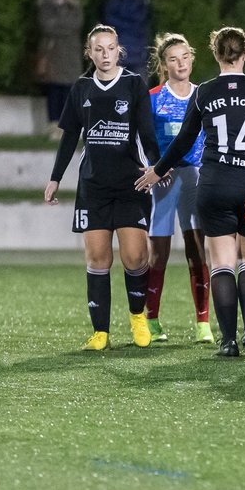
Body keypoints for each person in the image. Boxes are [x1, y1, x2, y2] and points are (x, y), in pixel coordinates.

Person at [135, 27, 245, 357]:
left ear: (214, 54)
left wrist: (157, 169)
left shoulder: (206, 91)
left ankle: (227, 340)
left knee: (222, 262)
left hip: (213, 183)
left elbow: (184, 139)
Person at [44, 25, 160, 350]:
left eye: (110, 48)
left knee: (136, 257)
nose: (105, 55)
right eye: (99, 49)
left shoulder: (134, 84)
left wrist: (156, 166)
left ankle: (138, 316)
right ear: (90, 52)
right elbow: (69, 137)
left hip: (130, 184)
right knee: (98, 258)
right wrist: (55, 178)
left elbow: (147, 134)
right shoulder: (81, 88)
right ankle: (101, 333)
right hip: (93, 186)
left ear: (118, 50)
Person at [144, 33, 213, 345]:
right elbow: (141, 138)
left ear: (192, 58)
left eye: (185, 57)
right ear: (164, 64)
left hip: (194, 180)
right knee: (157, 253)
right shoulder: (154, 97)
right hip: (164, 182)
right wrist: (155, 166)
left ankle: (203, 323)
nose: (180, 63)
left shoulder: (204, 95)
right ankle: (151, 320)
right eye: (173, 58)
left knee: (197, 251)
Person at [35, 0, 85, 139]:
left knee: (69, 90)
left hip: (70, 54)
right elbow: (45, 25)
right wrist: (64, 26)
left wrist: (58, 26)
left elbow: (76, 24)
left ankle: (68, 126)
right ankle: (53, 126)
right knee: (54, 90)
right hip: (53, 53)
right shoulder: (46, 4)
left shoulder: (74, 5)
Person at [102, 0, 152, 78]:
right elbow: (108, 20)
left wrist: (120, 22)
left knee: (139, 92)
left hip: (138, 55)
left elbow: (140, 22)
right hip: (117, 54)